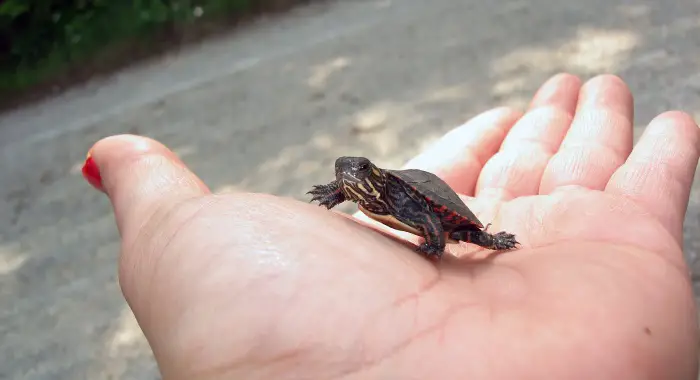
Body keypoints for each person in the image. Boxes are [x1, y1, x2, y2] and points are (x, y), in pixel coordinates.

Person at [81, 73, 699, 379]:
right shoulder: (363, 191)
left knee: (471, 235)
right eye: (345, 176)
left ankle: (487, 237)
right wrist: (334, 195)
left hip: (432, 207)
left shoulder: (398, 194)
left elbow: (430, 214)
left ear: (371, 176)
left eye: (355, 174)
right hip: (403, 213)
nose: (349, 177)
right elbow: (351, 191)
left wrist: (443, 238)